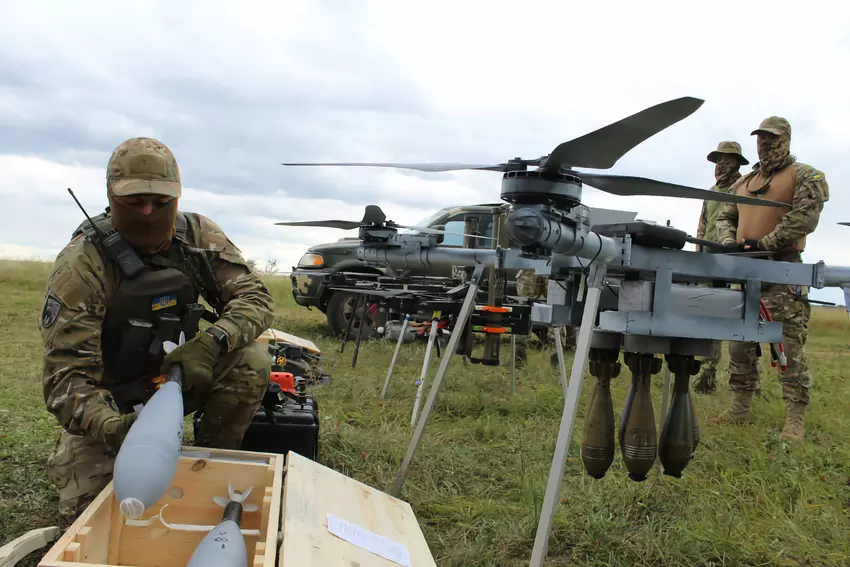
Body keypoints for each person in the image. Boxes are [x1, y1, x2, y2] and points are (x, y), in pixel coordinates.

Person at [38, 137, 276, 520]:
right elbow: (66, 381)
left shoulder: (197, 237)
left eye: (161, 201)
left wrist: (211, 343)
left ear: (177, 197)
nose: (149, 211)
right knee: (99, 515)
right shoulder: (82, 266)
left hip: (178, 379)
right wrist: (115, 428)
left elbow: (255, 299)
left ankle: (212, 459)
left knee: (251, 359)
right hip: (112, 400)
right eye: (134, 202)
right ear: (111, 196)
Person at [710, 116, 829, 442]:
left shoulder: (805, 175)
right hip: (746, 274)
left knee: (788, 347)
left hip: (782, 272)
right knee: (740, 344)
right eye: (760, 138)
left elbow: (806, 216)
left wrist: (767, 243)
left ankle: (795, 418)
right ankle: (740, 406)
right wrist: (728, 243)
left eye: (771, 138)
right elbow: (725, 215)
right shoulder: (744, 182)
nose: (765, 144)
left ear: (786, 139)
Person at [692, 141, 754, 394]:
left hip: (733, 261)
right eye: (718, 160)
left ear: (738, 163)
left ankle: (747, 377)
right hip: (709, 261)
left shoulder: (744, 188)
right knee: (707, 315)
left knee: (741, 317)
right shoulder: (710, 192)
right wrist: (698, 256)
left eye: (727, 160)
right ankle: (707, 373)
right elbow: (702, 225)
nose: (721, 165)